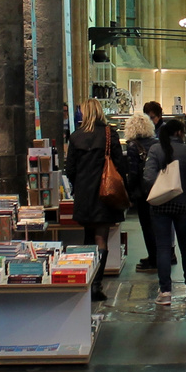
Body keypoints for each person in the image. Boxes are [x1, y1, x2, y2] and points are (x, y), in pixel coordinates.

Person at [64, 100, 128, 301]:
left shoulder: (76, 137)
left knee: (87, 236)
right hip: (104, 193)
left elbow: (70, 169)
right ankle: (96, 285)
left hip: (84, 193)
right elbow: (119, 164)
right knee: (102, 237)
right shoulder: (109, 134)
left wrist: (79, 185)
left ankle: (87, 280)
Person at [142, 117, 186, 304]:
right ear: (179, 133)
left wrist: (162, 188)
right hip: (183, 204)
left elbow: (148, 177)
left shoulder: (155, 150)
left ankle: (165, 292)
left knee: (162, 247)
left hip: (160, 205)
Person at [122, 112, 160, 273]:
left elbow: (133, 173)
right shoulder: (157, 143)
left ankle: (153, 259)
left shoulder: (132, 146)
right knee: (158, 226)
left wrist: (130, 194)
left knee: (147, 226)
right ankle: (159, 257)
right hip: (158, 189)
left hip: (142, 192)